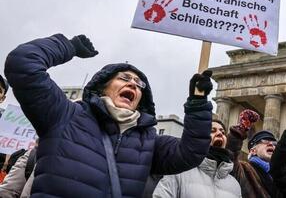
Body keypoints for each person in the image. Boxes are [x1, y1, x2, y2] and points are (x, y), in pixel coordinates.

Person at [4, 34, 214, 197]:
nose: (133, 83)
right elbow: (22, 64)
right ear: (103, 87)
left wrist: (198, 104)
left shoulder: (148, 140)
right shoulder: (65, 115)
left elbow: (191, 152)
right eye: (124, 78)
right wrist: (68, 46)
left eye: (139, 84)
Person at [153, 119, 241, 197]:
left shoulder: (234, 185)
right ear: (201, 138)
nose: (219, 133)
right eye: (212, 130)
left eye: (223, 132)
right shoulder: (179, 171)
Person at [226, 109, 282, 198]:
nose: (271, 144)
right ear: (253, 151)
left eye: (274, 143)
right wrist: (240, 129)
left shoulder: (281, 175)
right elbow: (229, 155)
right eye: (265, 141)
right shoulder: (243, 169)